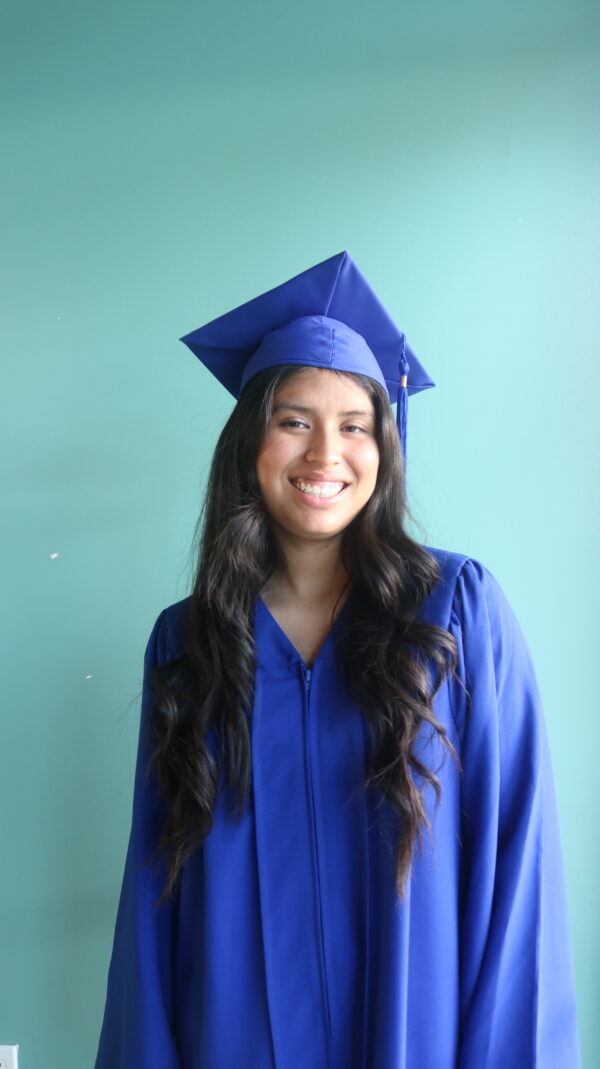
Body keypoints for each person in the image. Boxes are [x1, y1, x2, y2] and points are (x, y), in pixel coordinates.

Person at [95, 252, 580, 1068]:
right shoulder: (188, 645)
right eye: (294, 420)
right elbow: (152, 900)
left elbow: (517, 865)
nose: (326, 453)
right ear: (251, 441)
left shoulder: (455, 614)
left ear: (383, 448)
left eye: (355, 425)